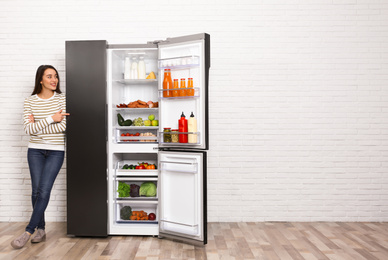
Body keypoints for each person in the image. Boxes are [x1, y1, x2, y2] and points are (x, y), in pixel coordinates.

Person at [11, 65, 70, 249]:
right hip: (35, 150)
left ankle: (28, 231)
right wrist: (52, 118)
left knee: (44, 190)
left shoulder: (62, 99)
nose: (54, 80)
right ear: (40, 80)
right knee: (36, 191)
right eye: (49, 76)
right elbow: (29, 129)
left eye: (56, 76)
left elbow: (63, 127)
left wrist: (40, 124)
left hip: (56, 150)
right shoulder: (30, 101)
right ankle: (41, 229)